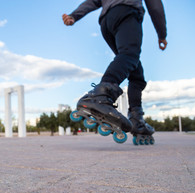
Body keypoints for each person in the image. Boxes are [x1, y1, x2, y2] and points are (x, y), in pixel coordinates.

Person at [63, 0, 167, 145]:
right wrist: (162, 34)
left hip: (107, 22)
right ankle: (101, 95)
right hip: (127, 13)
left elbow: (93, 1)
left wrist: (74, 15)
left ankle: (137, 119)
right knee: (130, 55)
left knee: (136, 74)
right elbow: (155, 6)